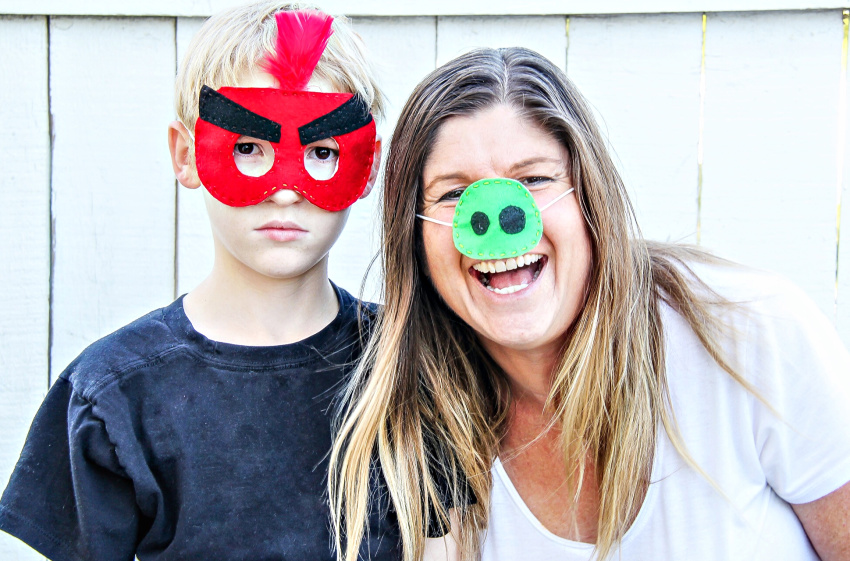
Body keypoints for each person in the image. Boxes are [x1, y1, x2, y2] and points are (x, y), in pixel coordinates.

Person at [329, 47, 850, 561]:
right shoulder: (417, 430)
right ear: (415, 239)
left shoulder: (747, 334)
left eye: (534, 179)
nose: (497, 229)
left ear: (589, 198)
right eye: (452, 195)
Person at [0, 2, 396, 560]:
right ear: (186, 155)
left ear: (368, 167)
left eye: (323, 152)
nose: (285, 190)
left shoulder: (408, 367)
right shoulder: (114, 396)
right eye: (248, 148)